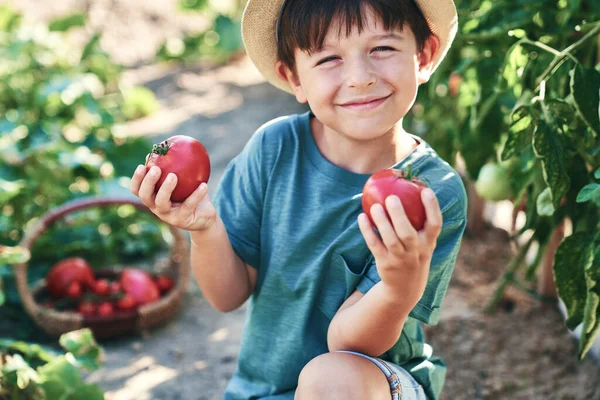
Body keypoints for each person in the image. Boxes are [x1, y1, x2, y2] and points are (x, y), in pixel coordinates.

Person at [130, 0, 466, 398]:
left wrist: (398, 289)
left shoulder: (433, 192)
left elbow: (348, 344)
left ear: (423, 56)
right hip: (263, 389)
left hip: (370, 385)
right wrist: (204, 230)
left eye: (382, 49)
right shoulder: (273, 150)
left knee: (330, 380)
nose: (359, 78)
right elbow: (227, 295)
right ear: (294, 78)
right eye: (328, 59)